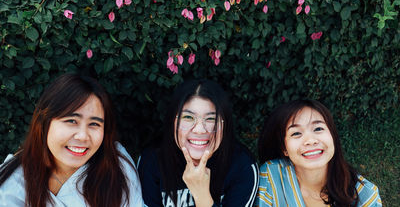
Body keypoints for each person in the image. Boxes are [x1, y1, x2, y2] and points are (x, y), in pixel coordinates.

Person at [0, 73, 143, 207]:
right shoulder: (12, 183)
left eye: (94, 124)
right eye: (71, 121)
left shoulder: (117, 168)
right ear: (45, 122)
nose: (82, 136)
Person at [138, 79, 258, 207]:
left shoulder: (242, 165)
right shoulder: (152, 160)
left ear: (224, 125)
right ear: (172, 122)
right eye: (188, 117)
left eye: (211, 118)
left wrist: (202, 195)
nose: (199, 130)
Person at [256, 99, 382, 207]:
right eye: (296, 133)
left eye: (318, 129)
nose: (310, 141)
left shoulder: (365, 196)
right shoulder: (270, 177)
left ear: (332, 135)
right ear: (284, 148)